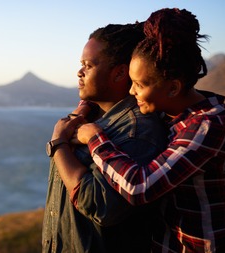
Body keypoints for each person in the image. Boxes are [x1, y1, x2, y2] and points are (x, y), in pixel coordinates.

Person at [75, 8, 225, 252]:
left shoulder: (207, 127)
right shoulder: (170, 111)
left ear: (172, 88)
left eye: (139, 84)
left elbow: (140, 188)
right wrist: (83, 108)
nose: (131, 92)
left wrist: (95, 139)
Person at [42, 23, 168, 252]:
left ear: (120, 72)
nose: (79, 72)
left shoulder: (137, 132)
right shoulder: (89, 116)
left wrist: (59, 144)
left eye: (88, 65)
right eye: (81, 64)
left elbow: (101, 206)